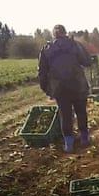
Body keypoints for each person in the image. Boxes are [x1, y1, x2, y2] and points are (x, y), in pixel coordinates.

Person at [38, 24, 92, 153]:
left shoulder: (47, 49)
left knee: (65, 115)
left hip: (60, 88)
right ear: (65, 33)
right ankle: (85, 139)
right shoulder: (75, 45)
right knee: (81, 112)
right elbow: (87, 61)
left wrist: (47, 89)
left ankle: (69, 144)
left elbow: (42, 72)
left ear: (53, 35)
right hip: (78, 85)